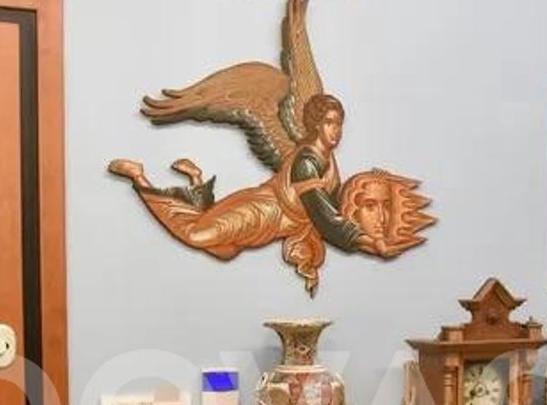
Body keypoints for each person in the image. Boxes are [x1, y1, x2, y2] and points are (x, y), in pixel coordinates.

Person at [108, 95, 419, 294]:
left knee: (225, 250)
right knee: (196, 235)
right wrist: (372, 244)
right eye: (329, 123)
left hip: (270, 228)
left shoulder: (328, 163)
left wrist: (372, 189)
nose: (335, 131)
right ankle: (139, 177)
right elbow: (325, 218)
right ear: (315, 125)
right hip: (259, 212)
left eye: (339, 124)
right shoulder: (306, 162)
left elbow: (332, 208)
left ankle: (196, 181)